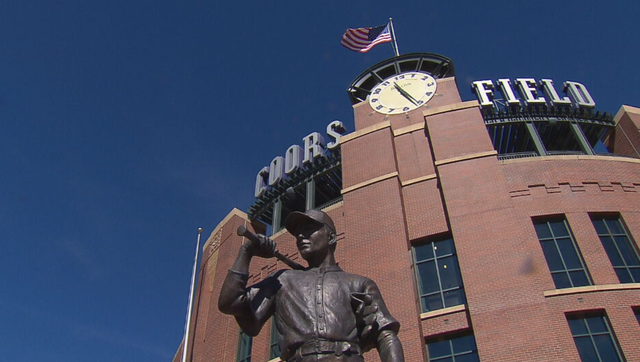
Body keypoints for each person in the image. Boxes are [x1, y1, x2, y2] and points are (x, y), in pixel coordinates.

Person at [218, 209, 405, 362]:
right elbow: (230, 303)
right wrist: (246, 252)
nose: (300, 236)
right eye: (297, 233)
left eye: (309, 229)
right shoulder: (283, 280)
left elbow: (385, 336)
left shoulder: (359, 283)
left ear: (331, 237)